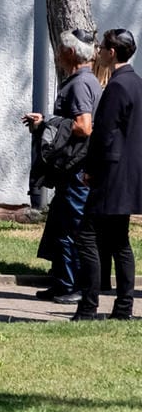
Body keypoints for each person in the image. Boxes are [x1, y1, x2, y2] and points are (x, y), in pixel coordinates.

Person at [25, 28, 100, 303]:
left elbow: (83, 126)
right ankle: (61, 282)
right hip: (72, 168)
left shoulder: (80, 84)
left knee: (71, 230)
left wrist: (50, 124)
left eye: (59, 50)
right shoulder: (83, 81)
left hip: (75, 168)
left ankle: (72, 287)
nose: (56, 55)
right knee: (59, 227)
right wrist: (44, 122)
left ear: (69, 53)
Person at [76, 29, 141, 321]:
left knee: (85, 236)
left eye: (101, 47)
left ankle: (89, 306)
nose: (98, 51)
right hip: (128, 175)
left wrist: (90, 169)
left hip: (110, 175)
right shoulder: (137, 84)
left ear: (112, 52)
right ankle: (124, 307)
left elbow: (104, 133)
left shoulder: (117, 87)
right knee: (119, 241)